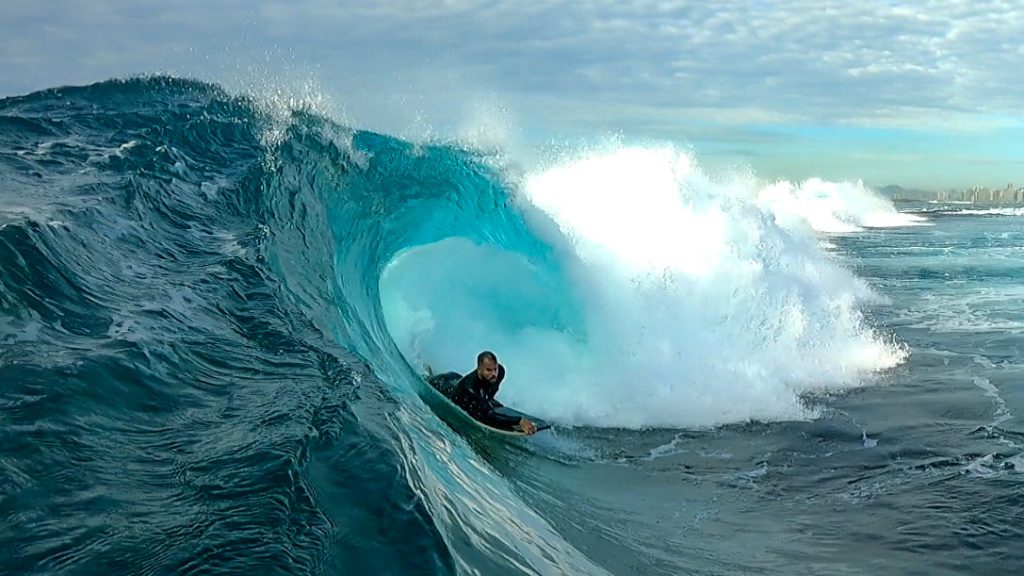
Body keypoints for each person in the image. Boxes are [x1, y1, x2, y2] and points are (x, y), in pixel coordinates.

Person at [451, 351, 537, 434]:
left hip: (458, 381)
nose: (494, 374)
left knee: (486, 404)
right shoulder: (470, 388)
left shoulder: (500, 372)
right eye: (488, 370)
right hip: (446, 387)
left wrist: (487, 401)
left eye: (495, 369)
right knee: (480, 410)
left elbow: (490, 390)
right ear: (479, 369)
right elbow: (488, 418)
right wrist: (518, 421)